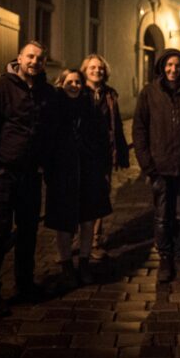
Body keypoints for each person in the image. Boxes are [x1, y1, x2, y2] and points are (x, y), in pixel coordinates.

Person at [0, 41, 58, 316]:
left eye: (40, 58)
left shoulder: (45, 91)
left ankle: (25, 283)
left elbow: (50, 128)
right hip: (2, 176)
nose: (35, 62)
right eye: (30, 56)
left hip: (30, 175)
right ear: (19, 58)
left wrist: (45, 163)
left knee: (29, 232)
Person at [133, 49, 180, 282]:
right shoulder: (149, 93)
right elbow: (139, 129)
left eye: (177, 65)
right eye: (169, 65)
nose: (173, 69)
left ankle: (179, 256)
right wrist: (148, 165)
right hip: (160, 168)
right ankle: (165, 259)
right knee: (162, 216)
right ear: (162, 66)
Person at [44, 69, 110, 288]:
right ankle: (66, 264)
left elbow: (102, 139)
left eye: (78, 82)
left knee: (87, 219)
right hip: (62, 173)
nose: (74, 85)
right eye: (69, 82)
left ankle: (83, 261)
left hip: (89, 172)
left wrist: (103, 167)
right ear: (61, 84)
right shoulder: (53, 108)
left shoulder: (90, 108)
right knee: (63, 222)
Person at [80, 54, 130, 261]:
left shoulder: (110, 94)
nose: (97, 71)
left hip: (104, 155)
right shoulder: (77, 90)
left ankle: (94, 241)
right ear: (85, 70)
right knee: (78, 197)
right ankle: (76, 240)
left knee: (100, 198)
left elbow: (116, 124)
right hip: (81, 155)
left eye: (100, 68)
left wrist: (122, 152)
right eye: (92, 67)